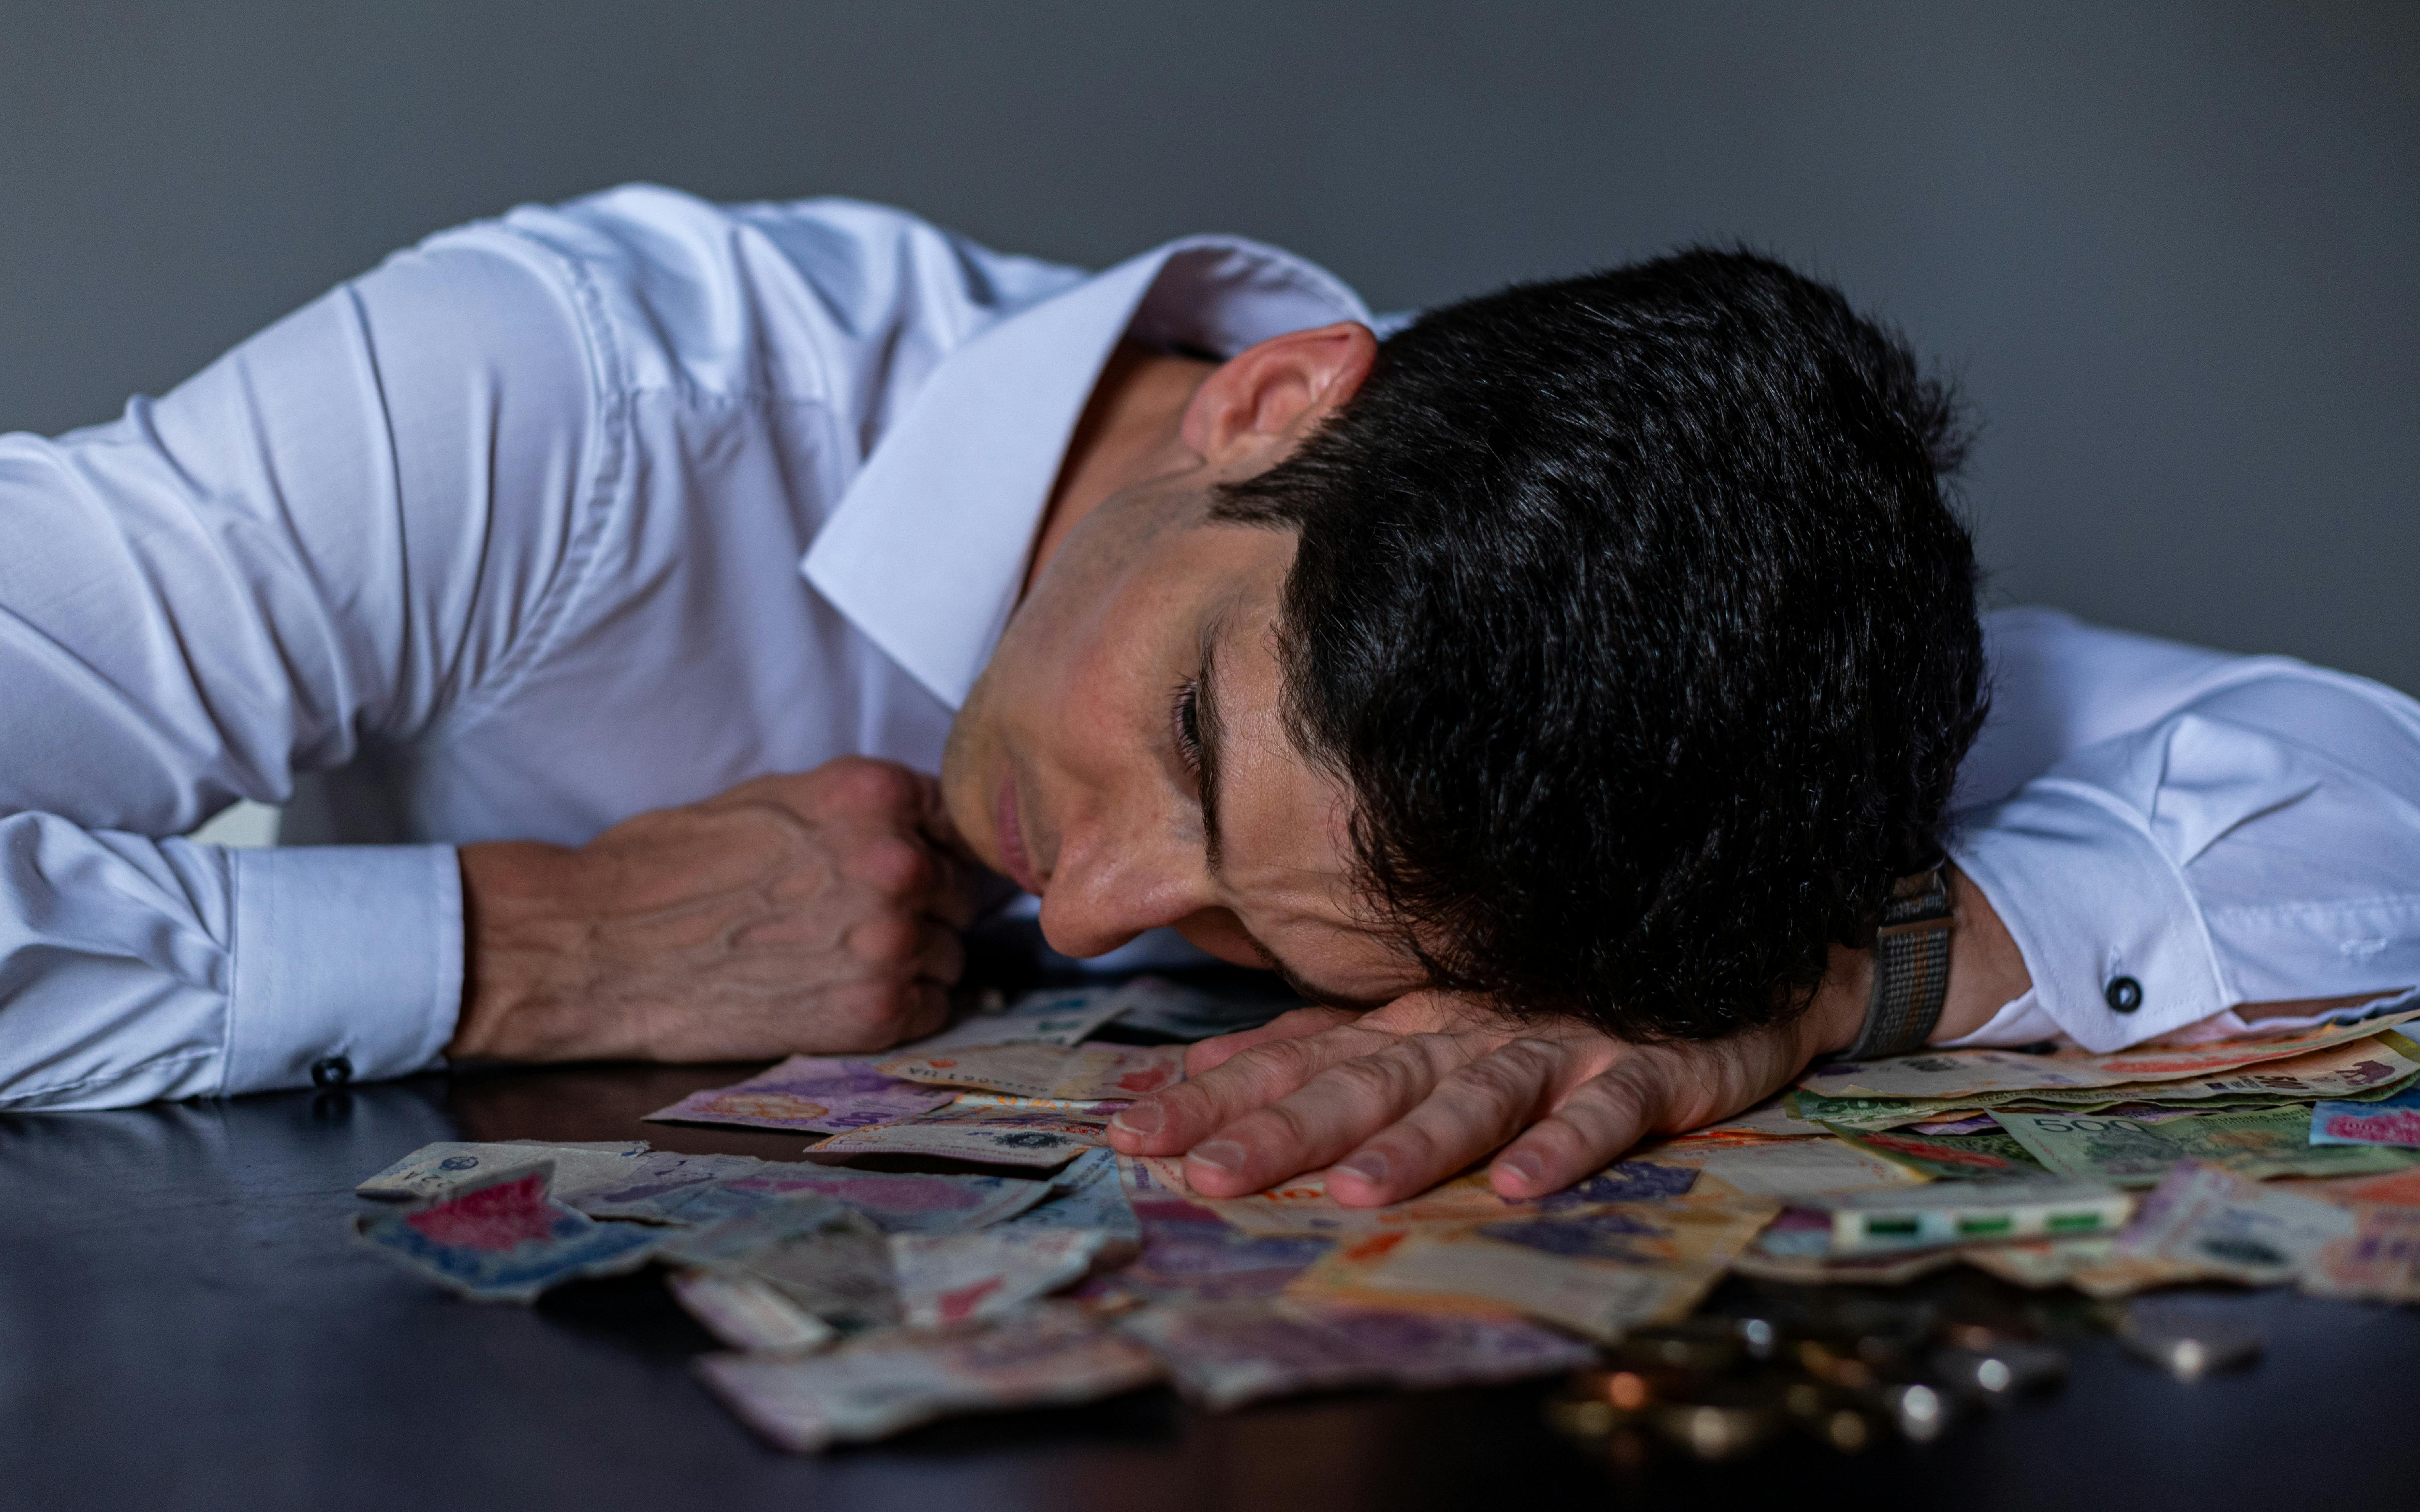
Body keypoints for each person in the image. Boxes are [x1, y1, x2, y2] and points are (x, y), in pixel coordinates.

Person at [4, 187, 2415, 1210]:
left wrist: (1818, 980)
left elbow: (2377, 791)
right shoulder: (561, 405)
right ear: (1274, 404)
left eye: (1297, 931)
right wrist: (514, 944)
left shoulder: (1671, 670)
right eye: (1186, 742)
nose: (1126, 899)